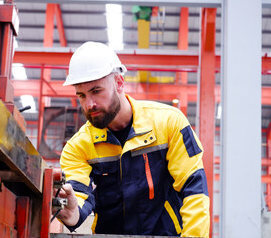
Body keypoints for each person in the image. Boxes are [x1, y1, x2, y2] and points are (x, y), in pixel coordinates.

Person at [55, 41, 210, 237]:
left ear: (119, 83)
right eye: (82, 95)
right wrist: (73, 212)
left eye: (96, 91)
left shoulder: (169, 123)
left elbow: (194, 189)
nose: (90, 104)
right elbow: (78, 193)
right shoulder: (78, 147)